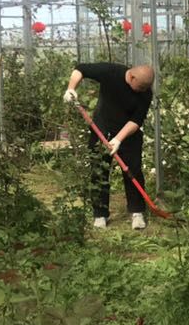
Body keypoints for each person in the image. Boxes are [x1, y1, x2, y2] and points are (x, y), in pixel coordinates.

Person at [64, 62, 155, 230]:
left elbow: (136, 120)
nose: (143, 90)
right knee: (99, 171)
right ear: (132, 77)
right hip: (101, 130)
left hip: (128, 136)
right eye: (141, 86)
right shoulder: (110, 72)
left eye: (146, 87)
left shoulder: (146, 93)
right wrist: (71, 88)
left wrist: (118, 139)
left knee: (133, 171)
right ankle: (100, 214)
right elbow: (81, 69)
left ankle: (137, 212)